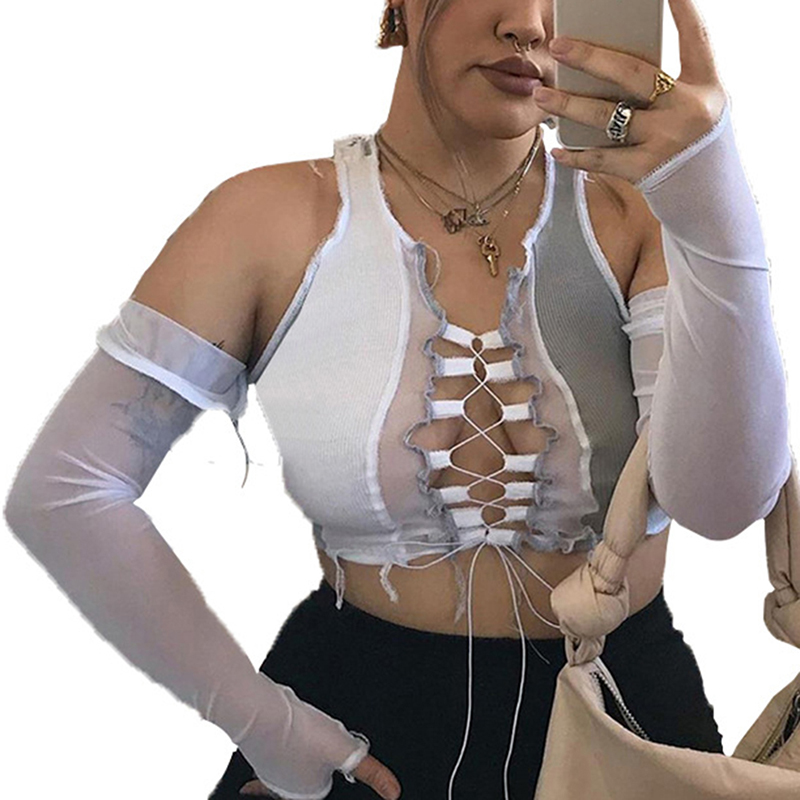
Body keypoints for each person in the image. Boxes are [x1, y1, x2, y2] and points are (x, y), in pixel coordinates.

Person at [3, 0, 792, 798]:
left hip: (624, 718)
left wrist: (714, 206)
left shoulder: (649, 215)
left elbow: (721, 503)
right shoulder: (267, 222)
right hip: (353, 719)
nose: (530, 23)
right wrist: (260, 720)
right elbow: (64, 491)